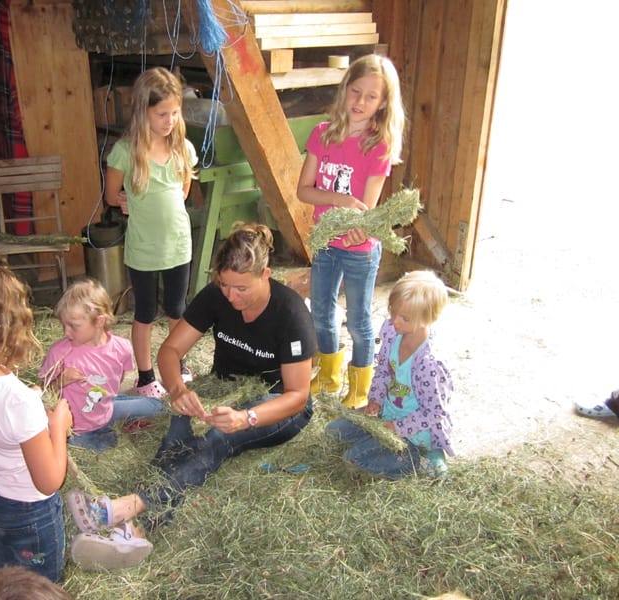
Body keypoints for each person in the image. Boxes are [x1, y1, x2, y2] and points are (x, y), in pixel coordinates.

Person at [66, 222, 316, 532]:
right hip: (223, 390)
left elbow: (298, 396)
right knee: (178, 427)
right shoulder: (215, 296)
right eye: (224, 285)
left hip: (276, 404)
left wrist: (246, 418)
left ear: (266, 275)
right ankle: (142, 524)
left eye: (242, 288)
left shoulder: (290, 314)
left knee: (220, 437)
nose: (231, 296)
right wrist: (178, 390)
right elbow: (170, 351)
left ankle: (131, 507)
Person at [0, 260, 132, 598]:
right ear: (6, 329)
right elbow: (50, 481)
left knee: (5, 562)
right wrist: (57, 425)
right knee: (36, 578)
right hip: (25, 509)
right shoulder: (18, 401)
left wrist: (3, 425)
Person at [297, 54, 406, 408]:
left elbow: (367, 208)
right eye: (355, 91)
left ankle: (360, 387)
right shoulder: (322, 134)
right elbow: (304, 190)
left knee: (358, 319)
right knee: (321, 312)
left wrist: (360, 228)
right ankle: (329, 375)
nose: (360, 101)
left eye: (371, 96)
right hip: (326, 241)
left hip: (360, 248)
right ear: (345, 89)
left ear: (383, 103)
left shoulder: (378, 146)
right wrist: (339, 200)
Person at [103, 66, 198, 399]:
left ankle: (177, 363)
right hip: (143, 247)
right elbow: (111, 195)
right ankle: (145, 377)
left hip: (178, 245)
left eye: (174, 113)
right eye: (161, 114)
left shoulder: (182, 148)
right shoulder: (126, 152)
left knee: (177, 308)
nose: (169, 120)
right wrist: (122, 200)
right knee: (145, 312)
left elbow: (183, 190)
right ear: (143, 111)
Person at [326, 270, 453, 479]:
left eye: (404, 318)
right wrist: (375, 400)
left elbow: (434, 414)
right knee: (333, 432)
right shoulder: (393, 333)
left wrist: (397, 427)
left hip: (414, 432)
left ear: (427, 319)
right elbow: (383, 370)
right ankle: (379, 446)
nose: (395, 321)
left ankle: (419, 458)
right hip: (386, 413)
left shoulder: (429, 365)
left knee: (354, 459)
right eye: (393, 312)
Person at [39, 278, 166, 452]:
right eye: (64, 324)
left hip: (107, 409)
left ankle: (119, 421)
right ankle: (117, 428)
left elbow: (116, 381)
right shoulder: (59, 352)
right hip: (76, 429)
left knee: (159, 408)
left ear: (99, 321)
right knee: (97, 449)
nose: (66, 332)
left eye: (73, 326)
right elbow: (42, 394)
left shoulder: (121, 348)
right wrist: (60, 382)